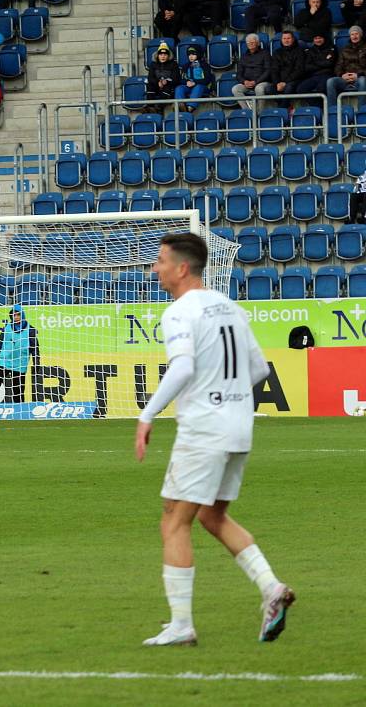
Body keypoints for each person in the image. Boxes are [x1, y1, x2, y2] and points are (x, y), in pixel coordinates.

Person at [135, 232, 295, 647]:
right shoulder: (233, 309)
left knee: (174, 519)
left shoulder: (179, 312)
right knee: (211, 516)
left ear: (182, 268)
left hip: (205, 427)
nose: (156, 268)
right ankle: (271, 588)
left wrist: (147, 413)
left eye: (160, 261)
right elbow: (259, 370)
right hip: (239, 426)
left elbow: (183, 368)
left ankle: (181, 625)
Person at [0, 304, 40, 403]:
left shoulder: (30, 330)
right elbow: (0, 344)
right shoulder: (6, 328)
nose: (16, 317)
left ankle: (19, 410)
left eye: (18, 315)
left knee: (18, 389)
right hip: (5, 361)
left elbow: (35, 348)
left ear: (22, 315)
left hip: (20, 363)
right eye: (14, 315)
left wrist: (36, 362)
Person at [327, 24, 366, 107]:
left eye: (356, 34)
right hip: (346, 78)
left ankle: (361, 110)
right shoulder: (345, 49)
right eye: (352, 34)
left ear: (361, 35)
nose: (354, 36)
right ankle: (332, 111)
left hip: (360, 77)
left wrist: (358, 74)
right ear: (350, 36)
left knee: (363, 80)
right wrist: (342, 75)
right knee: (330, 81)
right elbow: (338, 65)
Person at [232, 33, 272, 110]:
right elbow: (239, 73)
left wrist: (256, 82)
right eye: (248, 43)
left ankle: (260, 111)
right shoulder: (243, 56)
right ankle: (247, 110)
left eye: (252, 42)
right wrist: (244, 81)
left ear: (258, 43)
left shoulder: (265, 54)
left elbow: (268, 71)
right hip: (247, 83)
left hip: (262, 82)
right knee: (235, 89)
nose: (250, 44)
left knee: (259, 89)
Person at [296, 33, 337, 105]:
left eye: (320, 38)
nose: (318, 40)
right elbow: (307, 66)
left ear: (324, 38)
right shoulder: (310, 50)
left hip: (327, 75)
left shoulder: (331, 48)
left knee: (321, 88)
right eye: (316, 38)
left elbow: (329, 63)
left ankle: (322, 107)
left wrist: (315, 62)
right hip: (314, 76)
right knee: (300, 89)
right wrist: (323, 61)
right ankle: (316, 106)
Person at [267, 30, 304, 108]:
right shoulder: (277, 52)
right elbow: (274, 70)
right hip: (280, 81)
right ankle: (286, 106)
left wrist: (285, 82)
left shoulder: (300, 51)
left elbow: (299, 70)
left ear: (293, 39)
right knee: (269, 89)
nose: (286, 40)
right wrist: (277, 83)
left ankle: (282, 109)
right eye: (284, 38)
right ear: (281, 40)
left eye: (288, 38)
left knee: (288, 88)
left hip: (294, 80)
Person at [174, 45, 213, 112]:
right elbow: (181, 79)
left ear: (198, 54)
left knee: (198, 87)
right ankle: (180, 106)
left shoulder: (204, 65)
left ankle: (190, 108)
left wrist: (195, 82)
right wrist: (186, 82)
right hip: (189, 87)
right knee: (179, 88)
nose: (191, 56)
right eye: (189, 54)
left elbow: (208, 79)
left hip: (202, 87)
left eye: (193, 54)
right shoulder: (186, 66)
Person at [144, 42, 181, 112]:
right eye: (161, 54)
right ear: (157, 55)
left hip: (168, 86)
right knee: (150, 85)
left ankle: (158, 107)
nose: (163, 56)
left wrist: (166, 81)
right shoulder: (153, 64)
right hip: (157, 85)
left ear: (168, 55)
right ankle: (150, 107)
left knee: (168, 87)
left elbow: (176, 79)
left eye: (165, 54)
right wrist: (158, 82)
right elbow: (150, 78)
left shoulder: (173, 64)